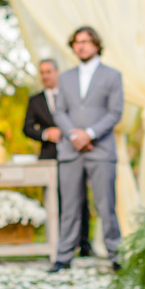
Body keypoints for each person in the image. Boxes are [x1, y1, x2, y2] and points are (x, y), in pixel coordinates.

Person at [49, 27, 124, 272]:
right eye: (76, 42)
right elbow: (59, 111)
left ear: (96, 44)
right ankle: (63, 257)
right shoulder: (66, 77)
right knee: (69, 206)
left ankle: (116, 256)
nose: (80, 46)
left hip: (100, 149)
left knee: (106, 205)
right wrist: (74, 135)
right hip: (70, 150)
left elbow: (115, 112)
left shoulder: (112, 75)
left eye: (85, 41)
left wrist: (89, 134)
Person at [23, 59, 92, 257]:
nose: (45, 76)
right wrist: (46, 134)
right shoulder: (35, 100)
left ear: (57, 72)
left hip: (73, 152)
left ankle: (84, 245)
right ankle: (58, 243)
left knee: (79, 198)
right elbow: (27, 128)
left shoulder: (72, 96)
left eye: (49, 72)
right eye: (42, 72)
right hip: (49, 156)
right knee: (55, 201)